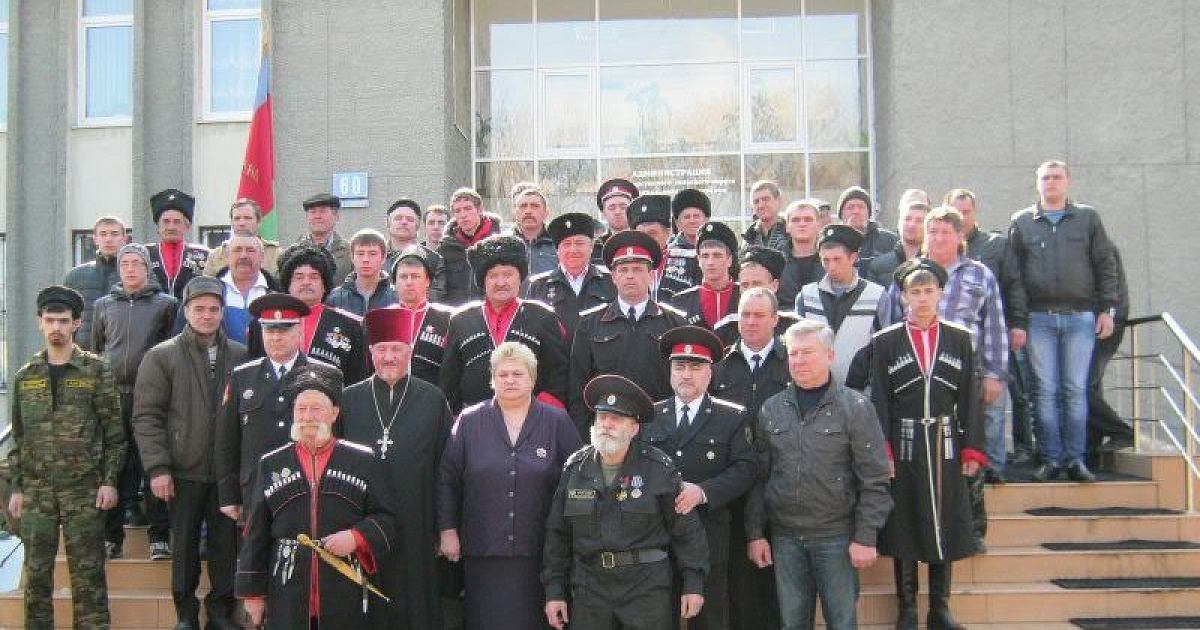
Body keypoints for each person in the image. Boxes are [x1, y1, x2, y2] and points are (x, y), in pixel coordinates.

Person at [745, 319, 891, 630]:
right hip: (785, 539)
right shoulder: (771, 409)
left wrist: (865, 536)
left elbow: (875, 479)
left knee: (841, 622)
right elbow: (760, 478)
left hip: (836, 538)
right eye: (793, 353)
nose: (799, 360)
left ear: (829, 356)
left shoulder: (856, 408)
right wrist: (755, 533)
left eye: (807, 352)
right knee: (792, 623)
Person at [236, 363, 398, 630]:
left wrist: (356, 537)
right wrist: (253, 594)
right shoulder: (271, 464)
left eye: (316, 409)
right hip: (287, 591)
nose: (308, 417)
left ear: (334, 413)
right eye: (301, 409)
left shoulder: (363, 461)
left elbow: (387, 520)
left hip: (344, 590)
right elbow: (255, 534)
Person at [870, 259, 986, 630]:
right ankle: (906, 609)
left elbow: (970, 398)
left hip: (944, 441)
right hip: (904, 444)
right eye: (915, 292)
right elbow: (879, 399)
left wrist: (972, 449)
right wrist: (883, 450)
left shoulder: (959, 339)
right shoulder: (885, 342)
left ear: (940, 294)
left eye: (928, 291)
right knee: (904, 523)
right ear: (903, 296)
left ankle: (940, 608)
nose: (922, 299)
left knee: (945, 521)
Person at [542, 375, 710, 630]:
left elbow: (686, 530)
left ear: (634, 429)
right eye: (602, 417)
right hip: (590, 587)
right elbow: (558, 534)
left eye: (616, 418)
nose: (606, 424)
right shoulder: (575, 468)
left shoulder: (658, 468)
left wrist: (693, 583)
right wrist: (554, 590)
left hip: (645, 587)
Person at [437, 342, 583, 630]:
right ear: (492, 379)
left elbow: (579, 477)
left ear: (532, 378)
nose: (510, 380)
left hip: (540, 552)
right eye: (502, 375)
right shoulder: (469, 421)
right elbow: (447, 478)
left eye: (518, 374)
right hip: (483, 551)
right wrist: (447, 530)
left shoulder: (557, 421)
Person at [132, 277, 246, 629]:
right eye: (199, 309)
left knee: (225, 548)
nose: (207, 315)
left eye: (214, 309)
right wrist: (158, 468)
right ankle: (185, 615)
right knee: (183, 548)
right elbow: (147, 416)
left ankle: (221, 613)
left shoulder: (241, 356)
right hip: (182, 471)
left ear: (223, 312)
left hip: (226, 473)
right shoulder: (161, 356)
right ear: (186, 310)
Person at [8, 286, 124, 629]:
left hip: (83, 489)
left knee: (88, 577)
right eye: (50, 320)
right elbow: (19, 438)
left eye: (63, 320)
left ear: (76, 324)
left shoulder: (95, 371)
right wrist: (17, 487)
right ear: (40, 322)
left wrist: (110, 482)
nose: (56, 327)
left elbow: (115, 435)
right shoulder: (26, 375)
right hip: (37, 491)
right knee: (36, 576)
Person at [1005, 160, 1120, 482]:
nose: (1051, 182)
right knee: (1044, 391)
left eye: (1057, 177)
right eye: (1045, 178)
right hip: (1038, 319)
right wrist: (1018, 321)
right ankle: (1051, 459)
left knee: (1074, 390)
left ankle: (1075, 460)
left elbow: (1105, 264)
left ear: (1067, 182)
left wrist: (1107, 309)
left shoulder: (1088, 218)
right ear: (1037, 183)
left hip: (1079, 317)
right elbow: (1015, 277)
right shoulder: (1022, 222)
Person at [340, 306, 454, 630]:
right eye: (381, 349)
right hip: (364, 524)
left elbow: (447, 469)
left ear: (410, 351)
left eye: (397, 349)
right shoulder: (348, 399)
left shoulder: (433, 399)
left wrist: (445, 526)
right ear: (370, 353)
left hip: (418, 522)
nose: (389, 357)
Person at [641, 326, 757, 630]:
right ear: (670, 372)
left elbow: (746, 469)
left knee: (709, 619)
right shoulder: (649, 417)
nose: (686, 375)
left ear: (710, 372)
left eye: (695, 367)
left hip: (709, 534)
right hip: (657, 538)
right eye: (679, 367)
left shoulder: (732, 416)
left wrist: (703, 492)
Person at [710, 288, 790, 630]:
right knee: (738, 583)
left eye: (759, 315)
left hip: (782, 486)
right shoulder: (719, 369)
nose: (751, 322)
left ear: (775, 319)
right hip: (734, 490)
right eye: (745, 314)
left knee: (779, 584)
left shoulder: (792, 364)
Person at [91, 242, 177, 558]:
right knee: (113, 465)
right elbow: (96, 350)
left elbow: (172, 351)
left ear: (147, 268)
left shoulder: (166, 304)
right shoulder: (103, 305)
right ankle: (111, 536)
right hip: (113, 396)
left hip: (150, 396)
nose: (130, 268)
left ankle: (159, 536)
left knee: (152, 461)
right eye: (124, 263)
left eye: (136, 263)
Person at [947, 187, 1036, 465]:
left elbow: (1013, 286)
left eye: (966, 212)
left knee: (998, 406)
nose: (962, 217)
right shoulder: (923, 272)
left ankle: (998, 465)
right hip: (944, 362)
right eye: (956, 213)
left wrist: (1018, 323)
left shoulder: (994, 248)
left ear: (975, 213)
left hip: (988, 345)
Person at [569, 230, 689, 435]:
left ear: (651, 275)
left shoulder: (675, 323)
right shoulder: (590, 324)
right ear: (613, 277)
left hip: (660, 430)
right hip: (609, 429)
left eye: (638, 269)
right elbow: (578, 390)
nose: (630, 276)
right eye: (623, 270)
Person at [214, 294, 320, 519]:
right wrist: (228, 494)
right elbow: (227, 438)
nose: (276, 338)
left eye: (284, 330)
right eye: (269, 331)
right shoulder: (242, 376)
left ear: (299, 331)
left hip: (308, 487)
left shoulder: (322, 376)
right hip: (255, 489)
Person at [441, 234, 569, 413]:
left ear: (520, 278)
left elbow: (558, 374)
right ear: (482, 280)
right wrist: (457, 420)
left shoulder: (543, 317)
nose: (501, 282)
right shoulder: (460, 320)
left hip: (532, 418)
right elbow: (449, 380)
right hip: (476, 421)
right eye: (493, 275)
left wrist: (543, 414)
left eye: (508, 274)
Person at [248, 243, 369, 384]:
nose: (306, 282)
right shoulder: (262, 324)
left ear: (325, 285)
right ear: (288, 284)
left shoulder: (350, 325)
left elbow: (358, 381)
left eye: (314, 277)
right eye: (299, 277)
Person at [795, 224, 885, 385]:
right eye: (825, 260)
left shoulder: (877, 296)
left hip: (860, 392)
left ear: (853, 257)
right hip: (814, 390)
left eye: (837, 259)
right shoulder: (806, 297)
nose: (831, 267)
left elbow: (885, 352)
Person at [525, 212, 616, 339]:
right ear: (557, 250)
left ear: (591, 246)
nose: (573, 250)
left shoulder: (612, 281)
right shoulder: (538, 286)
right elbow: (531, 331)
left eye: (579, 243)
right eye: (566, 244)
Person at [391, 245, 456, 386]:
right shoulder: (382, 318)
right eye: (403, 276)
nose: (409, 282)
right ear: (394, 282)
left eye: (415, 276)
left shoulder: (449, 318)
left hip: (434, 394)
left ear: (428, 281)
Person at [64, 215, 127, 349]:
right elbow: (65, 316)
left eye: (114, 234)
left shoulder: (134, 275)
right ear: (95, 239)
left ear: (124, 238)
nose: (108, 239)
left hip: (121, 351)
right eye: (103, 234)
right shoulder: (76, 276)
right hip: (84, 351)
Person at [438, 187, 503, 306]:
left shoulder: (500, 242)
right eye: (458, 211)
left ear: (480, 210)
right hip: (456, 312)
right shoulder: (445, 248)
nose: (463, 215)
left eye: (468, 208)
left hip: (491, 311)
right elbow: (439, 288)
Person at [669, 221, 741, 329]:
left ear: (729, 260)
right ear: (698, 260)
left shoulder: (744, 295)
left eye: (717, 255)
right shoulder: (681, 301)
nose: (710, 262)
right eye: (705, 256)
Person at [146, 188, 211, 300]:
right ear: (158, 226)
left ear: (187, 227)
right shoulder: (144, 254)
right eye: (166, 221)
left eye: (177, 222)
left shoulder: (205, 255)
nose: (171, 227)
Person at [627, 194, 694, 301]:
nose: (646, 239)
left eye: (652, 233)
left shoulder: (691, 262)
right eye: (641, 234)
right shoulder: (625, 266)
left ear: (668, 233)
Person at [214, 233, 279, 343]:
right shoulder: (211, 292)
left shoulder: (277, 295)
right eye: (237, 250)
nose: (243, 256)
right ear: (227, 256)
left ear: (262, 256)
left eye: (250, 250)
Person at [384, 198, 447, 301]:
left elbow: (436, 296)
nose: (404, 222)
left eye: (410, 219)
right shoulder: (374, 255)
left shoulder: (433, 259)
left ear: (417, 226)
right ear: (388, 223)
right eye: (398, 218)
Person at [326, 228, 399, 316]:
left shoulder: (396, 296)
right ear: (352, 257)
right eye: (360, 254)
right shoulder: (336, 298)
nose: (365, 259)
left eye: (372, 254)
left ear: (383, 258)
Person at [867, 190, 930, 287]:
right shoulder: (878, 267)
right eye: (907, 219)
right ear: (899, 223)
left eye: (919, 221)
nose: (912, 225)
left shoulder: (936, 263)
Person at [203, 199, 281, 276]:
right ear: (232, 222)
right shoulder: (216, 256)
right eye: (237, 218)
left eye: (247, 218)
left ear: (259, 222)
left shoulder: (276, 254)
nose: (242, 223)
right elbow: (207, 283)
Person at [835, 186, 898, 275]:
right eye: (850, 207)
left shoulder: (890, 241)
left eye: (861, 207)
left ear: (869, 213)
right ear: (841, 214)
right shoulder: (832, 243)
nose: (856, 211)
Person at [776, 200, 826, 308]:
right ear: (787, 227)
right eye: (795, 220)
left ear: (818, 225)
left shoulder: (831, 258)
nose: (802, 224)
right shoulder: (776, 260)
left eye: (808, 219)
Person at [295, 192, 353, 285]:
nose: (317, 216)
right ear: (307, 218)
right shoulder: (295, 251)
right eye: (313, 212)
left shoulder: (350, 252)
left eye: (323, 211)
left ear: (336, 216)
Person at [510, 183, 559, 277]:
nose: (528, 211)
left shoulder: (559, 243)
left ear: (546, 213)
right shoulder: (503, 243)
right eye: (523, 206)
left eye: (534, 206)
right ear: (515, 212)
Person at [663, 188, 708, 287]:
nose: (692, 221)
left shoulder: (717, 248)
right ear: (677, 222)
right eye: (687, 217)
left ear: (706, 219)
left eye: (696, 216)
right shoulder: (669, 253)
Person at [592, 178, 639, 263]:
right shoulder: (594, 249)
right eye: (612, 208)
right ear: (603, 213)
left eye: (623, 207)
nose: (617, 212)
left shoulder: (644, 244)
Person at [742, 180, 788, 252]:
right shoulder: (750, 237)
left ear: (779, 201)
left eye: (765, 199)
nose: (761, 205)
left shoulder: (791, 231)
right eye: (756, 201)